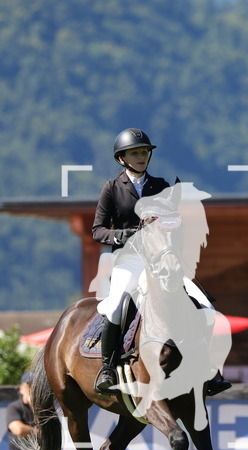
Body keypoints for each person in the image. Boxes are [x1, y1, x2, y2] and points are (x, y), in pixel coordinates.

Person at [91, 128, 231, 396]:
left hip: (161, 259)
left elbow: (174, 222)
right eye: (135, 153)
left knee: (202, 303)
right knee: (117, 304)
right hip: (129, 259)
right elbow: (97, 230)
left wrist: (172, 224)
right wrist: (123, 234)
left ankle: (208, 369)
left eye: (144, 152)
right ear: (122, 158)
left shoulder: (161, 187)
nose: (142, 156)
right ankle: (108, 369)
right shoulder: (111, 188)